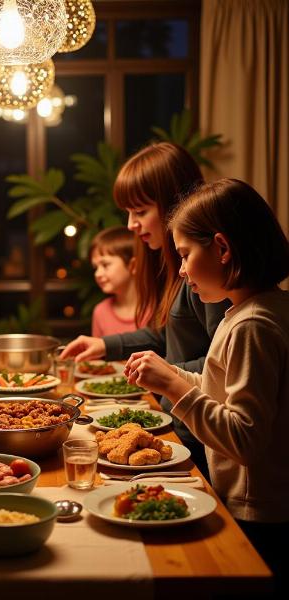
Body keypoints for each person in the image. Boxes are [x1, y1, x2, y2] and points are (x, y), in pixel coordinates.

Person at [124, 179, 289, 597]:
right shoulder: (251, 310)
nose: (180, 270)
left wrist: (175, 389)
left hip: (259, 511)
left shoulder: (254, 325)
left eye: (184, 255)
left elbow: (246, 438)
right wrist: (174, 375)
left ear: (221, 248)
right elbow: (220, 388)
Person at [60, 142, 230, 477]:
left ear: (173, 204)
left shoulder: (203, 272)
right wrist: (105, 345)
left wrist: (165, 375)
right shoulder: (175, 266)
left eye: (140, 212)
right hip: (176, 423)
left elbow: (222, 364)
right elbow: (167, 335)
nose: (131, 225)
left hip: (196, 437)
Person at [89, 225, 149, 336]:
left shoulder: (156, 310)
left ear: (133, 265)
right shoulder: (101, 311)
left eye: (105, 265)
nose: (97, 274)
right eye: (95, 267)